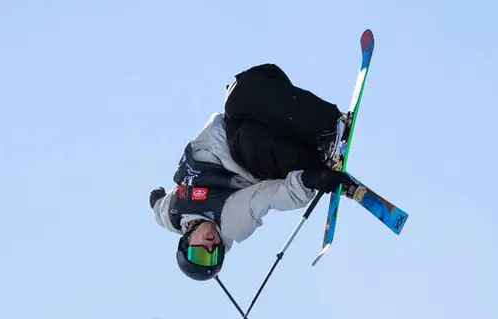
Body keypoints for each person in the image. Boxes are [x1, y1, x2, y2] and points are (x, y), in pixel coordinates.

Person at [149, 63, 352, 282]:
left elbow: (159, 209)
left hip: (252, 120)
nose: (210, 247)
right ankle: (324, 145)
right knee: (248, 139)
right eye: (214, 255)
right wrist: (310, 180)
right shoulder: (229, 221)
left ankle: (330, 125)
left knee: (240, 93)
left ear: (186, 242)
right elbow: (267, 197)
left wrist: (155, 200)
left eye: (200, 254)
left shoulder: (171, 212)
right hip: (269, 155)